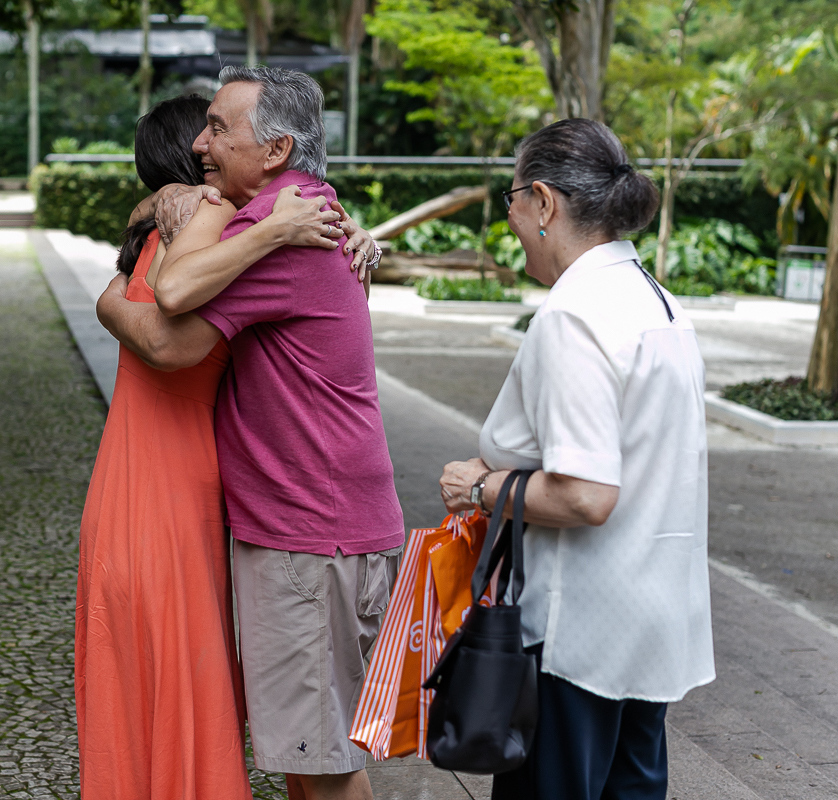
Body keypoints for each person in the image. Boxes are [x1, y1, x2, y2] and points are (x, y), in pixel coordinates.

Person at [96, 66, 404, 800]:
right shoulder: (291, 218)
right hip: (317, 528)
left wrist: (110, 298)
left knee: (320, 764)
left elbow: (170, 324)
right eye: (201, 131)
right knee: (307, 754)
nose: (205, 145)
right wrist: (166, 201)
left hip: (311, 533)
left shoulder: (284, 234)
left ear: (275, 151)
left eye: (221, 129)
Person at [438, 118, 715, 800]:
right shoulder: (657, 302)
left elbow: (587, 495)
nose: (510, 218)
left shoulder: (575, 314)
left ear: (543, 203)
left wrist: (481, 485)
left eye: (510, 200)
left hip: (577, 635)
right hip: (651, 624)